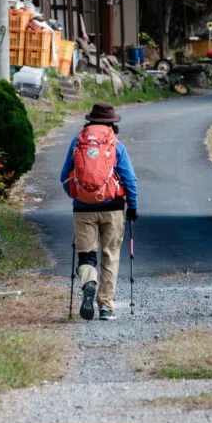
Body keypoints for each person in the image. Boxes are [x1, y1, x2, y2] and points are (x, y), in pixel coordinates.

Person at [61, 102, 139, 321]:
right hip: (113, 208)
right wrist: (132, 207)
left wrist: (77, 195)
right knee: (110, 255)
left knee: (87, 255)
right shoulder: (116, 145)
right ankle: (105, 306)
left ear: (90, 120)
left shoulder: (77, 142)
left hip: (82, 209)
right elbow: (130, 180)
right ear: (112, 123)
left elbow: (64, 177)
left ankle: (89, 283)